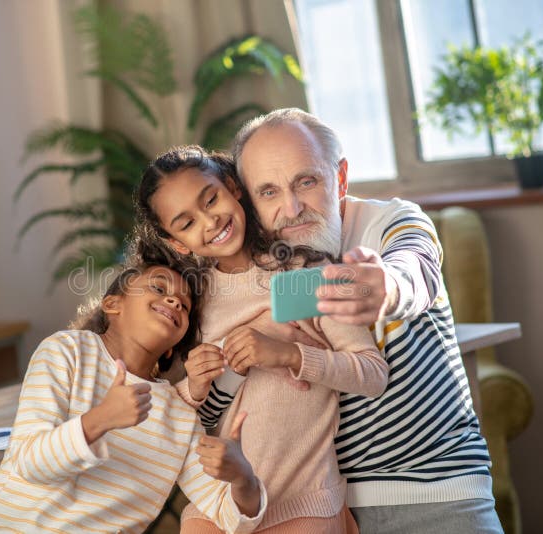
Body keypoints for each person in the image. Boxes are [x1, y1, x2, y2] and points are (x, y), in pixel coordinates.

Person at [194, 107, 502, 534]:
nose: (292, 207)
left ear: (339, 178)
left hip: (437, 493)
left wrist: (384, 288)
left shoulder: (389, 221)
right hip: (322, 509)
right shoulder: (253, 270)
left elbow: (417, 269)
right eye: (268, 192)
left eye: (307, 181)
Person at [135, 145, 389, 533]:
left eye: (211, 199)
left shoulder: (301, 274)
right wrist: (196, 385)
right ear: (176, 243)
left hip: (303, 506)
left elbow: (372, 374)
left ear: (233, 186)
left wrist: (289, 355)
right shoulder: (192, 300)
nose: (210, 221)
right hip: (217, 511)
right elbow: (188, 422)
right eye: (186, 223)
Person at [0, 242, 267, 533]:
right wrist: (100, 420)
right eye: (159, 289)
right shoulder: (66, 351)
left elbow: (230, 516)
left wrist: (243, 479)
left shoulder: (179, 418)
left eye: (184, 305)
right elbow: (30, 463)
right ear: (113, 304)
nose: (176, 302)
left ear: (173, 347)